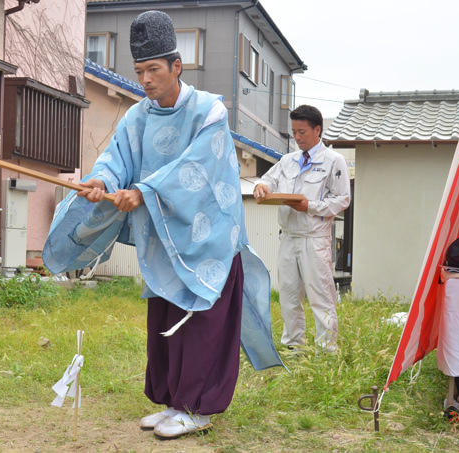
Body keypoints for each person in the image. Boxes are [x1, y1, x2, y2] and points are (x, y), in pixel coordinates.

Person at [43, 10, 283, 439]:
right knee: (166, 322)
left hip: (209, 241)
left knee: (203, 326)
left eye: (154, 69)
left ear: (177, 66)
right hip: (166, 240)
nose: (147, 79)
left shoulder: (210, 111)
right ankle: (175, 402)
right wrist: (103, 181)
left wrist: (143, 192)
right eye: (139, 71)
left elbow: (197, 167)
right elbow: (117, 157)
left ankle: (201, 409)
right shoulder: (138, 116)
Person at [253, 105, 350, 353]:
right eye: (294, 132)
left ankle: (326, 351)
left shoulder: (333, 161)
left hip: (314, 239)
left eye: (302, 132)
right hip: (288, 237)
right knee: (288, 295)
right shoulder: (288, 160)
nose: (297, 137)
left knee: (321, 297)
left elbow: (342, 200)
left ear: (317, 130)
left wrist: (310, 206)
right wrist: (262, 187)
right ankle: (294, 347)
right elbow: (269, 179)